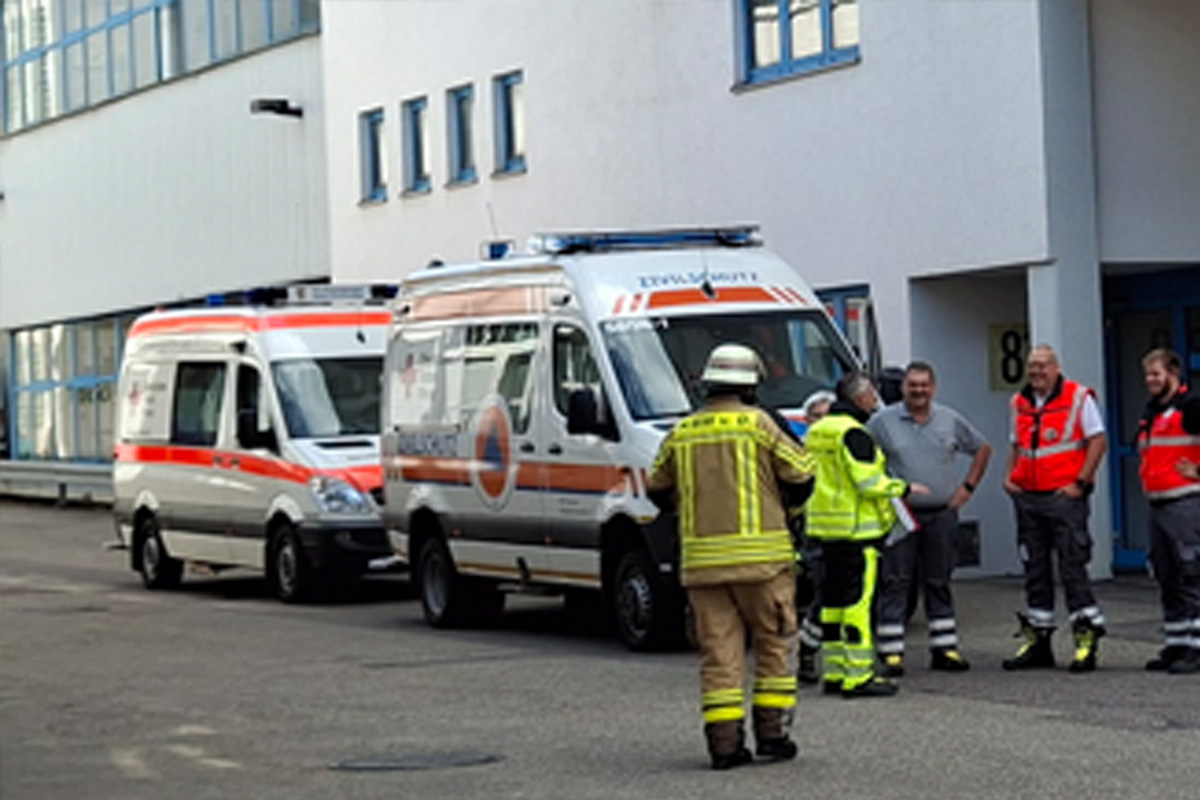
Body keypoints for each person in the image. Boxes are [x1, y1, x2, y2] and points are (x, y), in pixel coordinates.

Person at [647, 343, 816, 770]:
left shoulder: (684, 431)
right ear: (751, 385)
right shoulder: (760, 425)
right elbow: (802, 476)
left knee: (719, 656)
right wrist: (787, 512)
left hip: (703, 566)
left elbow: (656, 487)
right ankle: (772, 737)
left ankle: (724, 746)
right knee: (774, 645)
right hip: (764, 564)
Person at [805, 371, 928, 698]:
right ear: (860, 398)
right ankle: (858, 676)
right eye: (872, 395)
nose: (875, 400)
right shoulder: (854, 434)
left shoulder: (816, 431)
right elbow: (868, 482)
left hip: (824, 530)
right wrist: (904, 487)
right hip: (856, 532)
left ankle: (833, 672)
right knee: (857, 604)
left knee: (831, 605)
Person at [868, 362, 992, 676]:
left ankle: (945, 649)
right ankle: (892, 653)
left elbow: (982, 448)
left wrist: (967, 489)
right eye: (913, 385)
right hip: (901, 516)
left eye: (924, 385)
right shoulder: (881, 422)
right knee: (895, 582)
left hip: (942, 515)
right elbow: (864, 459)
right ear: (903, 388)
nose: (919, 391)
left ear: (933, 388)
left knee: (939, 581)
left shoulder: (949, 420)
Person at [1002, 345, 1108, 673]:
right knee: (1035, 569)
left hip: (1063, 498)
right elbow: (1016, 445)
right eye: (1032, 365)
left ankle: (1085, 641)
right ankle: (1038, 643)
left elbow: (1098, 440)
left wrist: (1080, 482)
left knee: (1073, 567)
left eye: (1043, 366)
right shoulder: (1019, 402)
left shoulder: (1078, 397)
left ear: (1056, 367)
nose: (1036, 371)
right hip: (1029, 497)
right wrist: (1009, 478)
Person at [1136, 348, 1200, 675]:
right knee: (1166, 575)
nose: (1150, 380)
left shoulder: (1191, 407)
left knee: (1192, 574)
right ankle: (1177, 642)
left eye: (1156, 374)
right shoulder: (1152, 411)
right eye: (1148, 374)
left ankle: (1196, 647)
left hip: (1185, 501)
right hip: (1158, 502)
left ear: (1173, 373)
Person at [795, 389, 836, 685]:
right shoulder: (799, 451)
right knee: (825, 596)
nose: (823, 422)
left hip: (847, 531)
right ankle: (807, 650)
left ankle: (838, 661)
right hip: (816, 533)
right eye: (817, 416)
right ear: (807, 420)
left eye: (828, 416)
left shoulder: (844, 447)